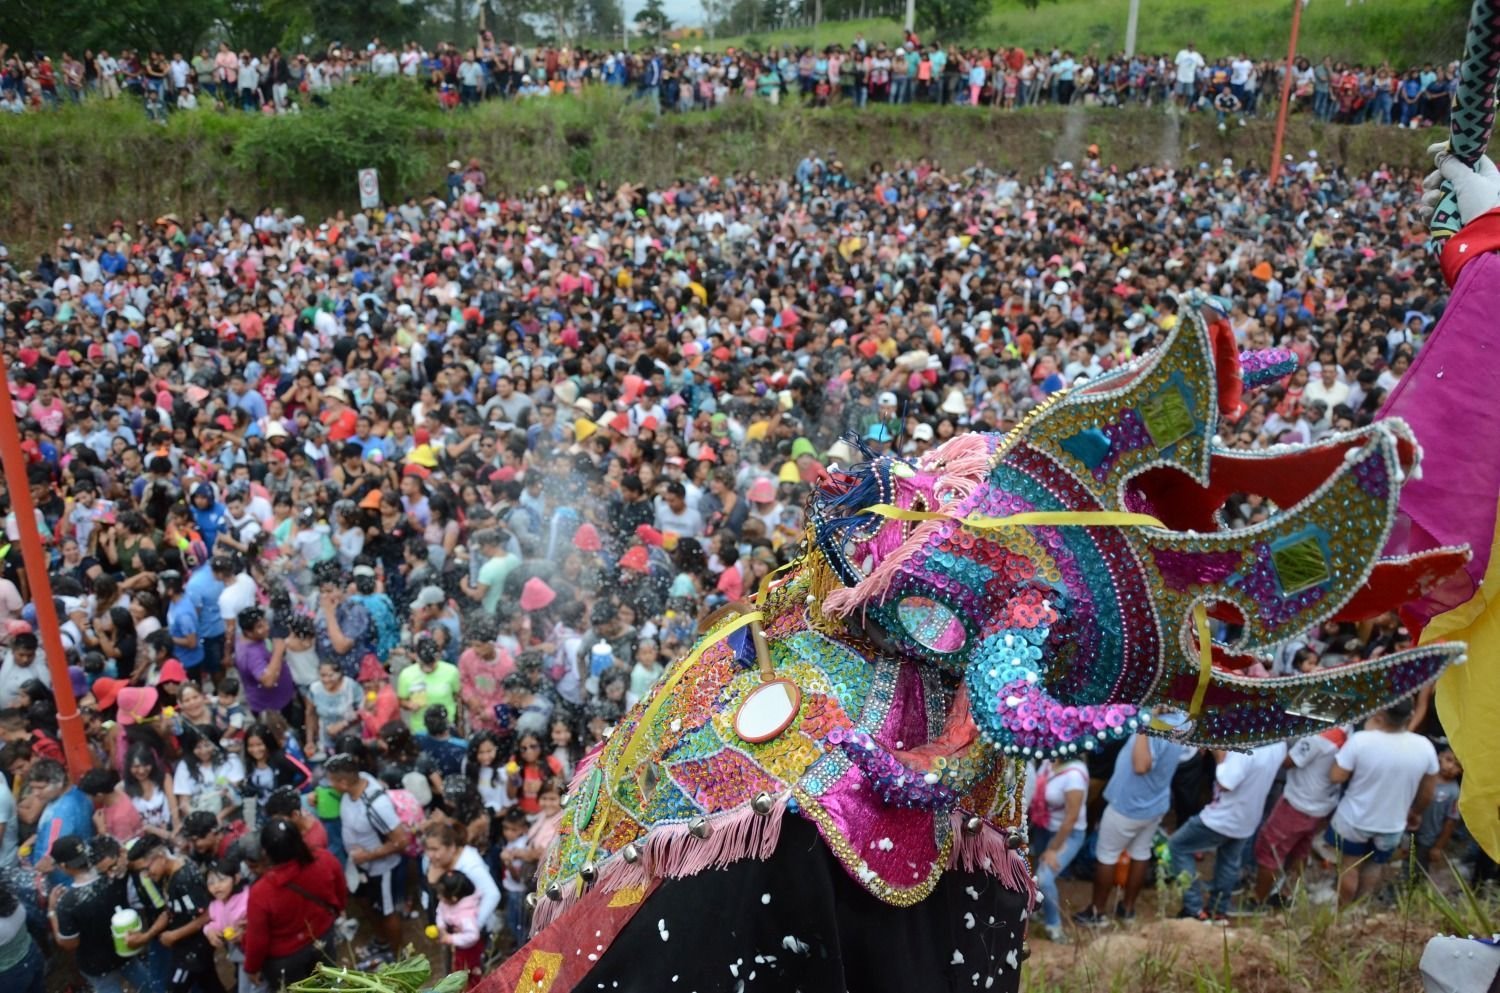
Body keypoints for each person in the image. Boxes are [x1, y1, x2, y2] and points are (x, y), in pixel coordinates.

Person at [1073, 731, 1193, 926]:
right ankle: (1128, 909)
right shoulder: (1182, 720)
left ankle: (1097, 912)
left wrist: (1143, 729)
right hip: (1155, 803)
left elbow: (1140, 765)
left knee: (1106, 856)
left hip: (1128, 806)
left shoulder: (1154, 728)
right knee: (1141, 852)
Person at [1327, 700, 1439, 904]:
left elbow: (1336, 776)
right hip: (1392, 824)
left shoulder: (1361, 741)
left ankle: (1343, 914)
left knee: (1349, 867)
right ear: (1410, 715)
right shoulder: (1425, 747)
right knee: (1374, 866)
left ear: (1380, 713)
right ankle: (1360, 909)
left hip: (1354, 819)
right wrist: (1416, 812)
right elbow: (1428, 792)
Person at [1167, 742, 1286, 921]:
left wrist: (1218, 751)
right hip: (1248, 817)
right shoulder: (1279, 743)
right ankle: (1217, 911)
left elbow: (1225, 783)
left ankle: (1194, 909)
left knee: (1178, 845)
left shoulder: (1246, 749)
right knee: (1229, 862)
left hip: (1222, 818)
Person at [324, 753, 410, 964]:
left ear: (344, 782)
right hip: (361, 867)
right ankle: (381, 941)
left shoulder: (376, 805)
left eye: (332, 780)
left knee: (388, 911)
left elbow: (401, 841)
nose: (329, 784)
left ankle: (397, 957)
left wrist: (369, 855)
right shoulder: (358, 780)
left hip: (383, 870)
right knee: (367, 903)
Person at [243, 818, 347, 989]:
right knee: (330, 987)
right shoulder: (324, 859)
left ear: (265, 852)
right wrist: (337, 910)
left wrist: (252, 968)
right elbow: (341, 890)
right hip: (323, 939)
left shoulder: (262, 892)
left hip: (286, 960)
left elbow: (258, 939)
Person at [1251, 725, 1348, 907]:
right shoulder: (1347, 728)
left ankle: (1257, 900)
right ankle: (1286, 893)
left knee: (1269, 850)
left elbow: (1289, 761)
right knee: (1300, 850)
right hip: (1323, 804)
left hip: (1298, 805)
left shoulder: (1318, 736)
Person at [49, 835, 153, 993]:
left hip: (97, 966)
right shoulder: (113, 876)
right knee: (147, 985)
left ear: (64, 866)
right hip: (124, 949)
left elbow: (69, 943)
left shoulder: (67, 904)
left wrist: (52, 911)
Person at [126, 835, 226, 993]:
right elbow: (169, 911)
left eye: (146, 869)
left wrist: (174, 935)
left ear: (160, 857)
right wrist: (145, 936)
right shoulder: (168, 875)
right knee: (209, 983)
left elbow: (207, 914)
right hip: (186, 946)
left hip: (194, 949)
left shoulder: (185, 879)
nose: (146, 875)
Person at [1028, 755, 1089, 942]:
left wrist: (1053, 849)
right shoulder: (1048, 762)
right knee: (1037, 876)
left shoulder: (1075, 775)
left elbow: (1071, 818)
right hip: (1043, 828)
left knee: (1045, 879)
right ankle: (1039, 911)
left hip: (1067, 835)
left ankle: (1054, 926)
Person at [434, 871, 483, 987]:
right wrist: (441, 926)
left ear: (454, 898)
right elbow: (440, 912)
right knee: (454, 968)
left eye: (441, 895)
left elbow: (473, 936)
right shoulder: (446, 902)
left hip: (467, 950)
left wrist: (451, 938)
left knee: (467, 972)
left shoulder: (466, 916)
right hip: (455, 944)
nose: (438, 897)